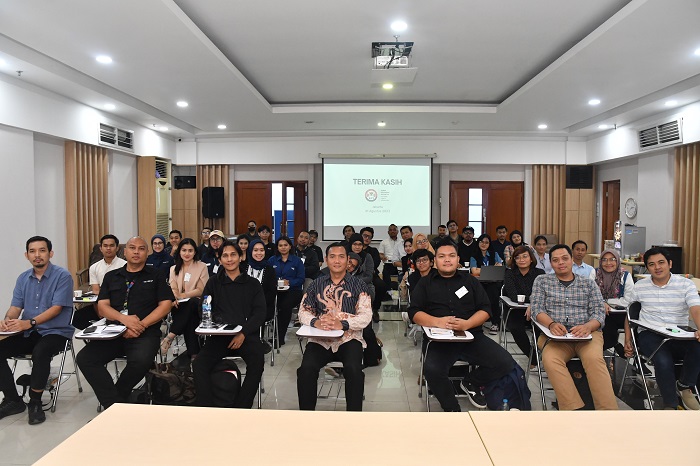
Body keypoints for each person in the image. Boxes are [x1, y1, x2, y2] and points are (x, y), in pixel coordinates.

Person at [408, 241, 516, 412]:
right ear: (435, 260)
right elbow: (414, 312)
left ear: (458, 259)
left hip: (472, 337)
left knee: (505, 362)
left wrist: (467, 324)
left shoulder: (470, 281)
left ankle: (471, 382)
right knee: (432, 371)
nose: (447, 260)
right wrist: (438, 321)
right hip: (439, 340)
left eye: (451, 256)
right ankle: (452, 410)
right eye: (442, 256)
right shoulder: (425, 283)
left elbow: (485, 309)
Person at [77, 237, 174, 409]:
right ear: (125, 252)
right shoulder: (111, 276)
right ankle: (114, 404)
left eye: (141, 248)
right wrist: (125, 320)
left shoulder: (156, 275)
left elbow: (166, 305)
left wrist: (140, 325)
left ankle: (116, 400)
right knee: (85, 358)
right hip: (114, 331)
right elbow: (102, 307)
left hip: (144, 333)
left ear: (147, 253)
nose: (136, 252)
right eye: (132, 248)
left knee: (141, 362)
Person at [530, 244, 618, 410]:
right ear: (551, 263)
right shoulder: (542, 281)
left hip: (587, 334)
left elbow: (599, 313)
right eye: (555, 260)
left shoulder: (588, 284)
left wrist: (588, 326)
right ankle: (573, 409)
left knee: (594, 360)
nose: (561, 263)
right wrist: (551, 324)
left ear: (572, 260)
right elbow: (536, 309)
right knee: (550, 359)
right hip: (555, 336)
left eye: (564, 258)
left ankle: (608, 411)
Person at [0, 236, 74, 425]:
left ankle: (35, 402)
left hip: (56, 332)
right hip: (29, 332)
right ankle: (13, 400)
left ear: (50, 253)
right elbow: (15, 307)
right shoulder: (23, 278)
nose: (37, 255)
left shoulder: (62, 276)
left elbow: (56, 308)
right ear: (27, 255)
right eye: (32, 251)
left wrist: (29, 322)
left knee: (41, 352)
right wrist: (8, 320)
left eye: (42, 250)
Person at [297, 243, 372, 411]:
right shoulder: (316, 284)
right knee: (305, 370)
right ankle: (306, 416)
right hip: (320, 339)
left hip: (349, 338)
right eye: (332, 257)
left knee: (354, 370)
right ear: (326, 260)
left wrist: (342, 323)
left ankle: (353, 415)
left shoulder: (359, 285)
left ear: (348, 260)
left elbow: (366, 316)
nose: (337, 261)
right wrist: (315, 322)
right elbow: (303, 312)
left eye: (341, 257)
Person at [624, 247, 700, 410]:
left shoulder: (685, 284)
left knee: (698, 347)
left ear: (670, 264)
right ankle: (670, 404)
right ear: (647, 267)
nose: (657, 267)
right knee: (663, 360)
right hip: (650, 334)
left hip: (678, 333)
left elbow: (695, 309)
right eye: (651, 264)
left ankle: (684, 385)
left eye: (661, 263)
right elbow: (629, 316)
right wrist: (628, 340)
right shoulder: (640, 286)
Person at [193, 241, 266, 408]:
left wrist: (243, 333)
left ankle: (242, 407)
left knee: (257, 364)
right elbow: (203, 308)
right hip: (219, 337)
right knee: (199, 364)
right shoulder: (213, 282)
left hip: (245, 336)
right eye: (225, 256)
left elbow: (260, 313)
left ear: (241, 257)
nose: (229, 259)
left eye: (233, 255)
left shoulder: (252, 284)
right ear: (219, 260)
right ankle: (207, 407)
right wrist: (217, 324)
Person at [162, 238, 209, 358]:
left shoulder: (202, 266)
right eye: (184, 250)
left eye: (190, 250)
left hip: (197, 303)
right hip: (179, 305)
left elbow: (201, 290)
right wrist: (175, 298)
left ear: (195, 252)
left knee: (191, 303)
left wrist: (182, 296)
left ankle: (171, 335)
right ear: (179, 251)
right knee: (190, 318)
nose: (187, 253)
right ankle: (194, 355)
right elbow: (173, 287)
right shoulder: (173, 268)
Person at [502, 246, 545, 368]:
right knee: (515, 328)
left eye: (525, 256)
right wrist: (532, 298)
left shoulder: (540, 274)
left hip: (536, 309)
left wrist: (532, 304)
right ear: (514, 260)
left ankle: (541, 354)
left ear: (531, 259)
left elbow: (543, 294)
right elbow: (514, 296)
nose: (521, 260)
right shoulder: (510, 273)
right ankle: (533, 357)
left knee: (542, 328)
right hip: (515, 310)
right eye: (517, 257)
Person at [74, 234, 127, 329]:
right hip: (102, 302)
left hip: (120, 304)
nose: (108, 248)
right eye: (105, 246)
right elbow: (96, 291)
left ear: (117, 248)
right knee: (77, 317)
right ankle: (98, 333)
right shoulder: (94, 267)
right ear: (101, 248)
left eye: (111, 245)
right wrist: (100, 308)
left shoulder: (125, 265)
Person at [591, 248, 633, 354]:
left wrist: (605, 302)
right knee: (605, 322)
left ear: (617, 260)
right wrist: (601, 304)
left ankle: (628, 350)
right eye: (604, 260)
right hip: (599, 313)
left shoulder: (625, 275)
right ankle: (612, 345)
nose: (608, 263)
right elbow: (589, 296)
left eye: (612, 259)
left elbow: (628, 300)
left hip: (621, 314)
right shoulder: (595, 273)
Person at [268, 236, 305, 346]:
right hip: (276, 291)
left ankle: (280, 337)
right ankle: (273, 334)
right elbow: (268, 277)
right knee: (270, 304)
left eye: (285, 245)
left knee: (284, 306)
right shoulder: (272, 260)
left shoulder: (297, 261)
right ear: (277, 247)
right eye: (280, 245)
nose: (283, 247)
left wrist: (289, 282)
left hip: (293, 291)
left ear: (290, 246)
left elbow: (301, 279)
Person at [470, 234, 503, 335]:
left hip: (493, 282)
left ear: (489, 244)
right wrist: (492, 269)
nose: (484, 244)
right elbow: (474, 271)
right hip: (479, 283)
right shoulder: (474, 255)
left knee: (493, 296)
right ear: (478, 243)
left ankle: (495, 323)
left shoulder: (494, 254)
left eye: (486, 242)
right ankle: (478, 322)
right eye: (481, 242)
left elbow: (499, 269)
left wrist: (481, 270)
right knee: (479, 297)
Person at [245, 239, 277, 325]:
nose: (259, 253)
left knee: (256, 316)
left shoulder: (270, 270)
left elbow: (272, 293)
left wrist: (257, 303)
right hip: (244, 306)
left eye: (262, 250)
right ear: (250, 251)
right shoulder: (243, 268)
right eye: (255, 250)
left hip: (264, 306)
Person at [378, 224, 401, 293]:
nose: (392, 231)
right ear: (388, 232)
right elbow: (380, 254)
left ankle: (401, 292)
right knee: (385, 273)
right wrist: (382, 257)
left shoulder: (402, 241)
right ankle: (388, 292)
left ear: (397, 231)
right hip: (388, 264)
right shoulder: (383, 242)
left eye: (394, 230)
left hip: (399, 263)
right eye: (390, 230)